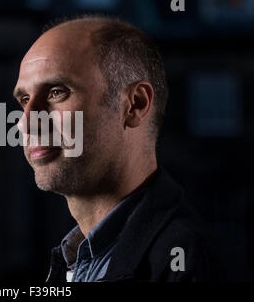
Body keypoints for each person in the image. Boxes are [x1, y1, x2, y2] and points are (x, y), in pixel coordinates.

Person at [13, 15, 223, 282]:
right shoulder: (74, 261)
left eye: (56, 92)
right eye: (24, 100)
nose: (26, 122)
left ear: (134, 104)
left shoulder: (189, 263)